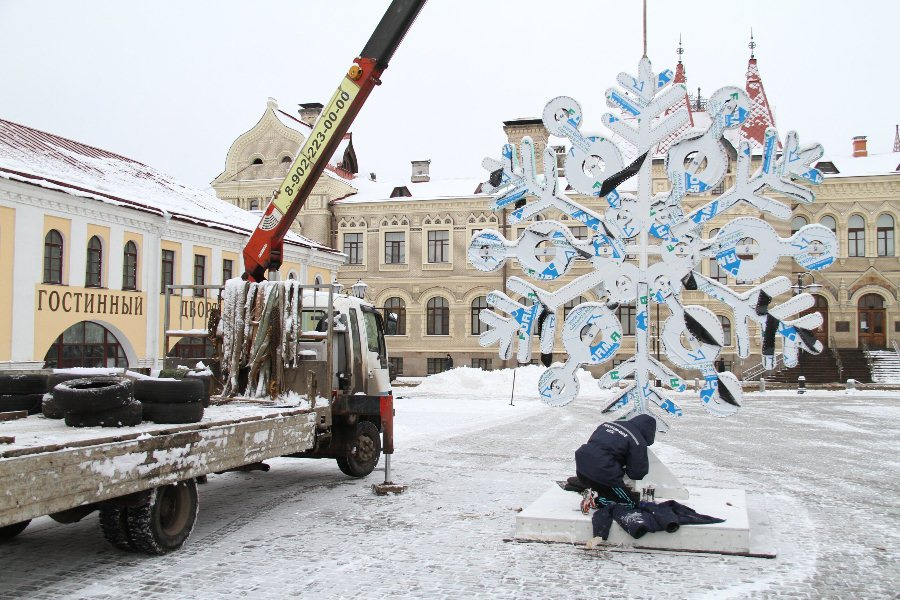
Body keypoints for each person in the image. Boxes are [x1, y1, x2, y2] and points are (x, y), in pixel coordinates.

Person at [574, 414, 656, 508]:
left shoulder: (607, 424)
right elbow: (637, 473)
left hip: (582, 466)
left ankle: (591, 490)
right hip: (604, 470)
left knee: (600, 484)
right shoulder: (637, 440)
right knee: (631, 503)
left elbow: (596, 445)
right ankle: (596, 499)